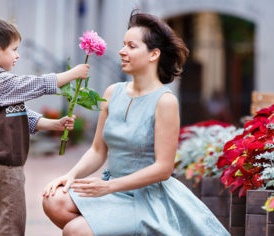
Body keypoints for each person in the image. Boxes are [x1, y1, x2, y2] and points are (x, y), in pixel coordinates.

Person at [42, 10, 230, 236]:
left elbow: (163, 169)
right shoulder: (113, 92)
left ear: (154, 55)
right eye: (123, 45)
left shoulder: (165, 101)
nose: (122, 51)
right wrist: (70, 176)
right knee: (53, 201)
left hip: (147, 198)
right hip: (111, 189)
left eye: (131, 46)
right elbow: (97, 150)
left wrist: (108, 187)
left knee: (75, 231)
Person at [0, 13, 90, 235]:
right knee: (11, 220)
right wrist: (71, 74)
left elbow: (19, 113)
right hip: (6, 164)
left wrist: (54, 125)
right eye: (14, 49)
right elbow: (35, 84)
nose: (17, 56)